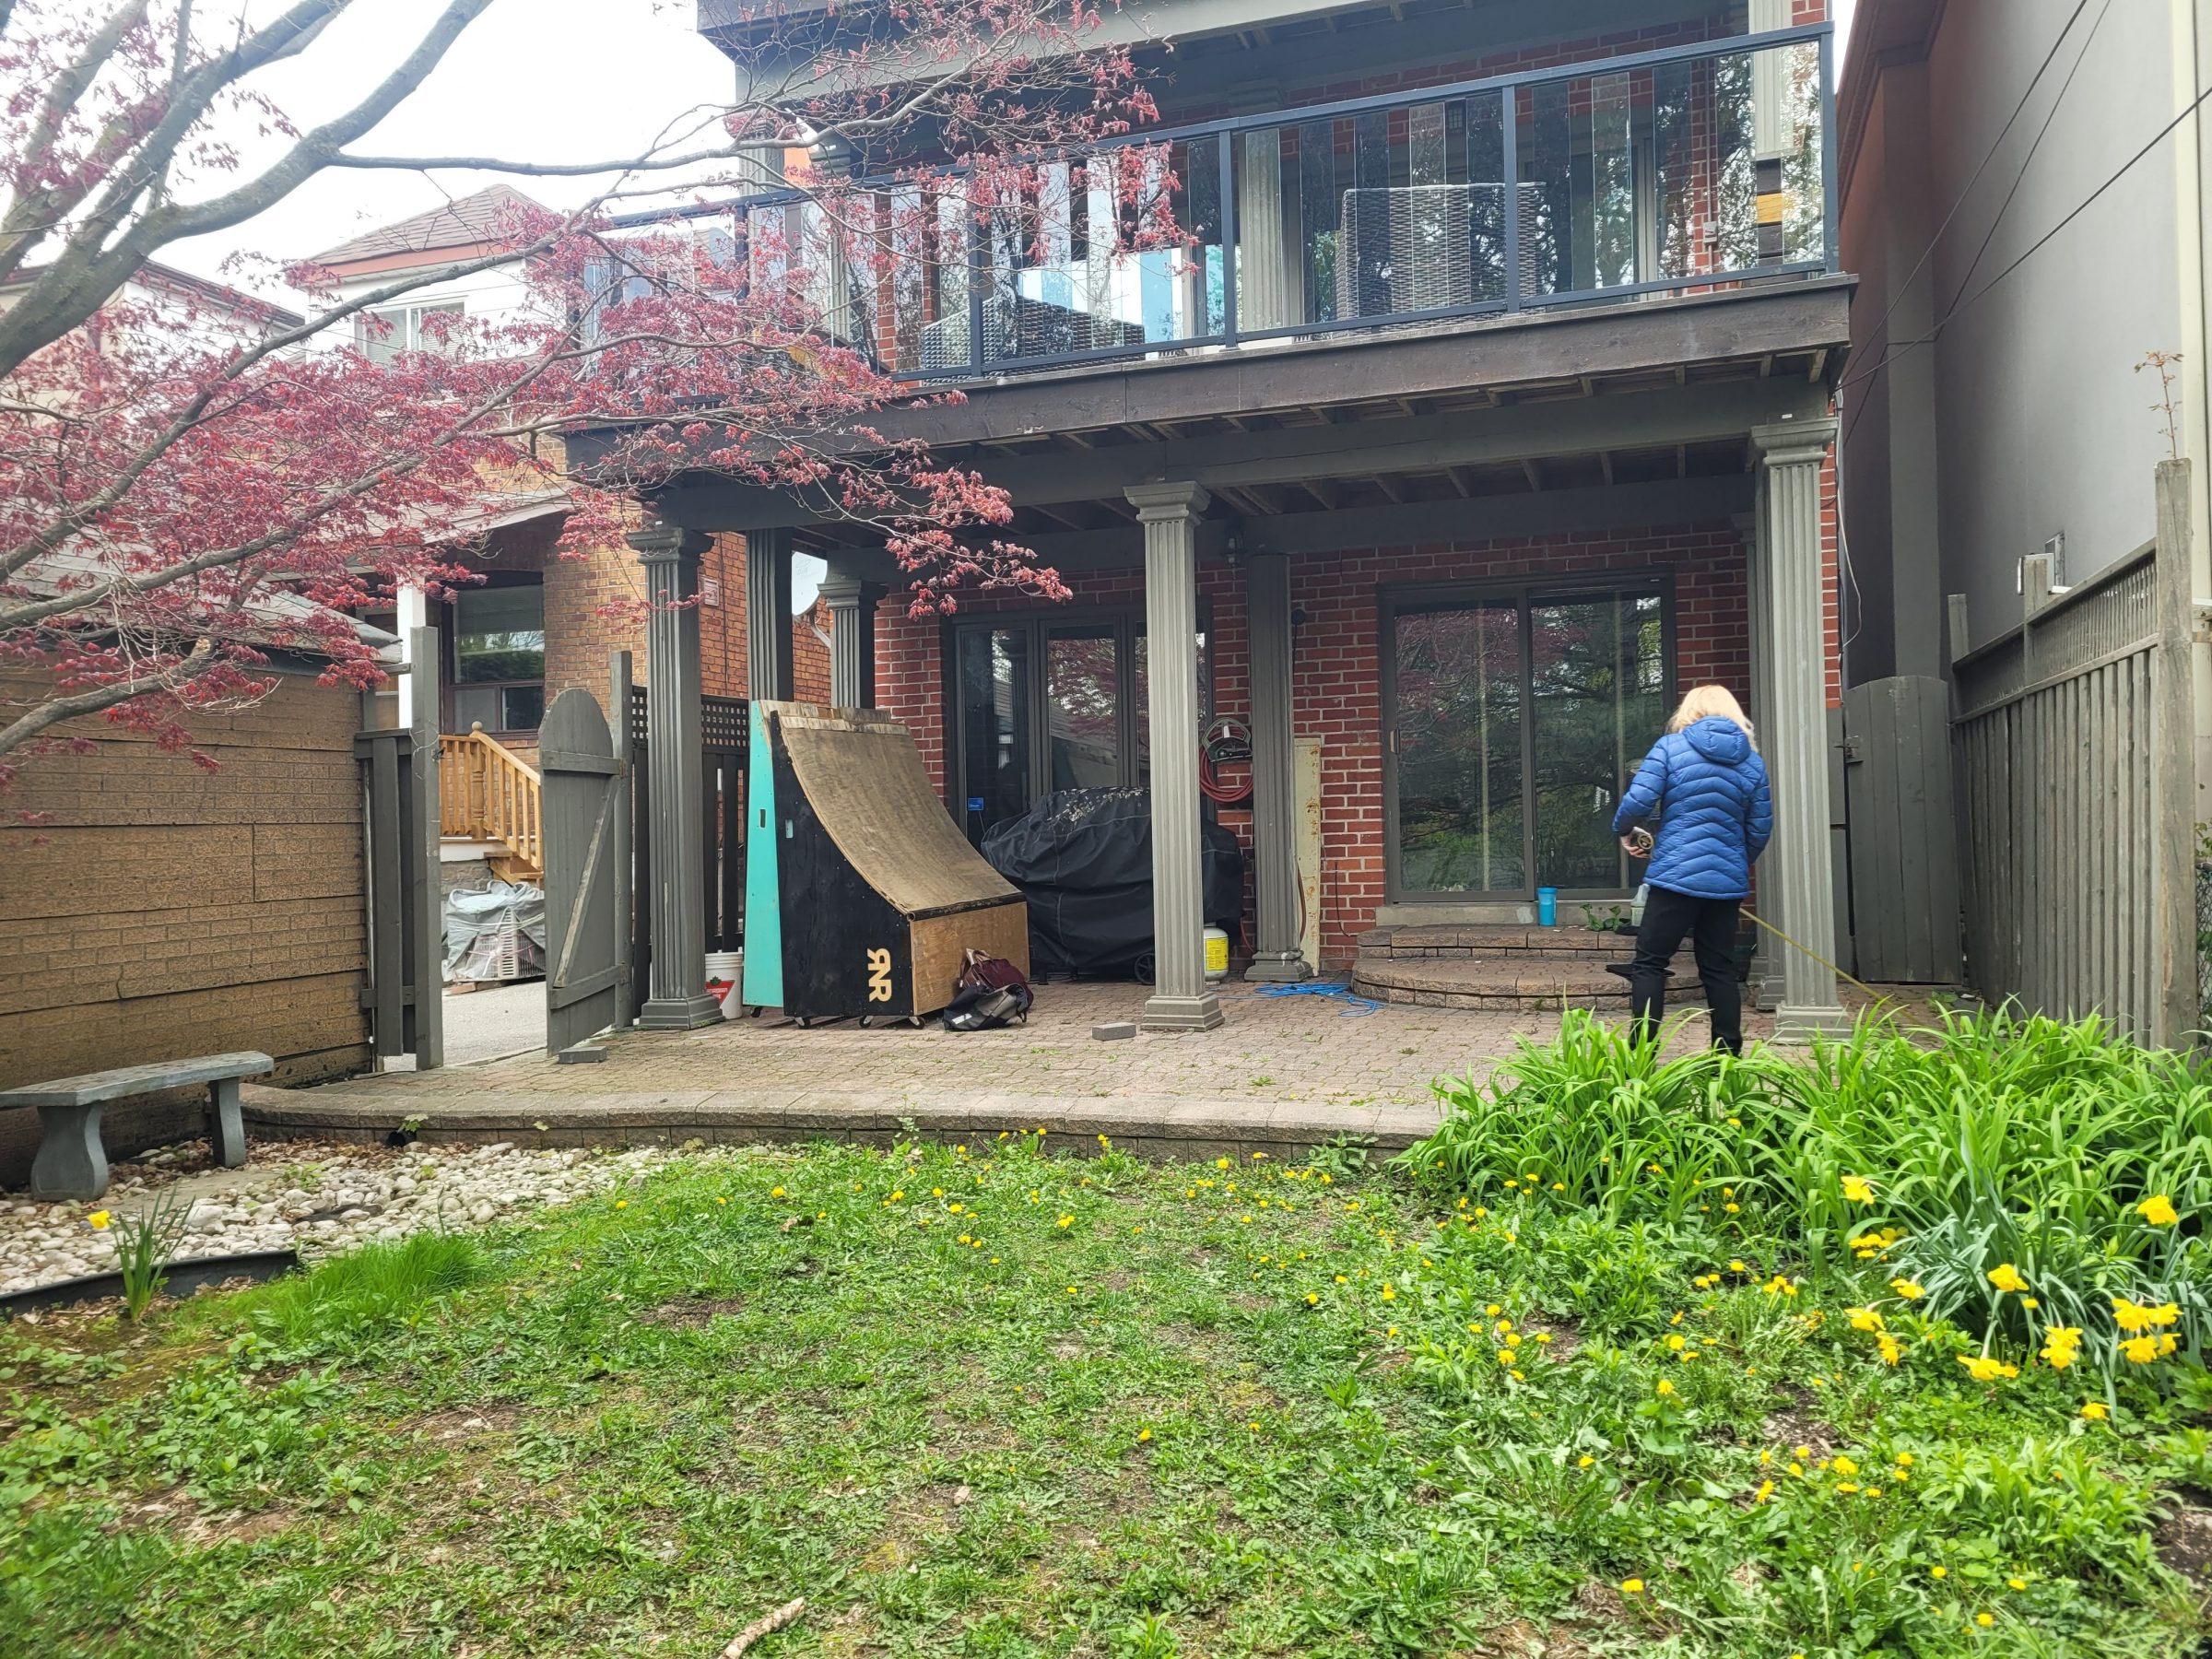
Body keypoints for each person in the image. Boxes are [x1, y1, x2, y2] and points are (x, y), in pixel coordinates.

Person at [1610, 685, 1771, 1055]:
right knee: (1719, 970)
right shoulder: (1752, 762)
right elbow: (1760, 829)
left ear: (1689, 711)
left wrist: (1625, 831)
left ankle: (1641, 1059)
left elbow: (1638, 801)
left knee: (1650, 964)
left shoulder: (1671, 748)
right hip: (1725, 886)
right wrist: (1732, 863)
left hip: (1673, 879)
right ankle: (1726, 1061)